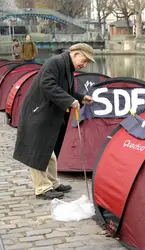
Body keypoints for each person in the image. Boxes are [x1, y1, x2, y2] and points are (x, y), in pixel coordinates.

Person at [13, 43, 96, 200]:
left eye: (87, 63)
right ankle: (42, 188)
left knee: (49, 151)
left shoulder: (67, 67)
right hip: (37, 112)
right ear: (76, 53)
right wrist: (70, 101)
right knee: (38, 150)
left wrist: (80, 98)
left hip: (47, 114)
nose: (84, 65)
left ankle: (52, 182)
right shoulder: (55, 62)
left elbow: (66, 90)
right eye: (84, 60)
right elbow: (47, 85)